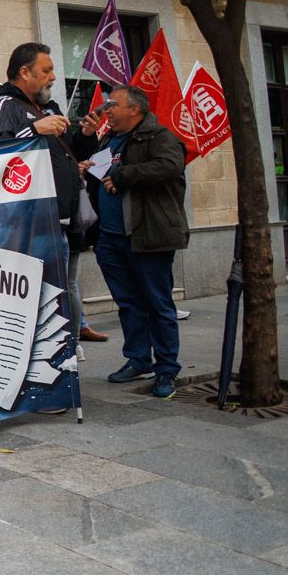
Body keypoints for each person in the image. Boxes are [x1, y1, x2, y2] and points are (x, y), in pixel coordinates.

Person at [0, 43, 102, 412]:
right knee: (35, 309)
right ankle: (37, 389)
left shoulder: (48, 109)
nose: (53, 77)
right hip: (26, 227)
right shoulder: (2, 106)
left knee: (58, 307)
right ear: (24, 73)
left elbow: (64, 153)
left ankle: (56, 383)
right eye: (45, 71)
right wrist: (33, 128)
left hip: (61, 223)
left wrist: (85, 136)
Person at [88, 84, 190, 399]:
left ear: (135, 109)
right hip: (110, 238)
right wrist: (87, 167)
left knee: (157, 304)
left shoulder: (159, 137)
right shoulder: (109, 137)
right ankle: (138, 359)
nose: (107, 109)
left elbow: (170, 166)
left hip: (148, 236)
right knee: (129, 303)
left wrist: (125, 175)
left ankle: (167, 369)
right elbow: (102, 175)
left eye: (112, 104)